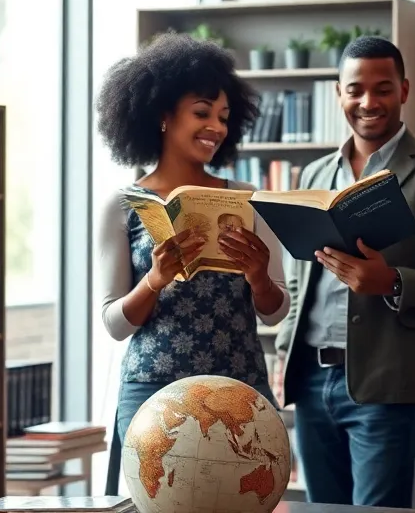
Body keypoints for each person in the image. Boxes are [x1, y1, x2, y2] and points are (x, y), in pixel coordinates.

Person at [274, 35, 415, 508]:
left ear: (404, 91)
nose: (368, 102)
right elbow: (299, 278)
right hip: (312, 381)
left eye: (383, 88)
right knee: (323, 510)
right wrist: (283, 349)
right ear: (338, 93)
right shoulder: (312, 175)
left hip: (390, 382)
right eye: (355, 90)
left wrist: (392, 281)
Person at [95, 32, 290, 495]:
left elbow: (276, 311)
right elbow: (114, 323)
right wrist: (155, 280)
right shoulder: (123, 206)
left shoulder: (250, 200)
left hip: (237, 390)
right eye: (201, 113)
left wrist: (259, 277)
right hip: (153, 391)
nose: (215, 127)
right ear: (162, 116)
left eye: (223, 117)